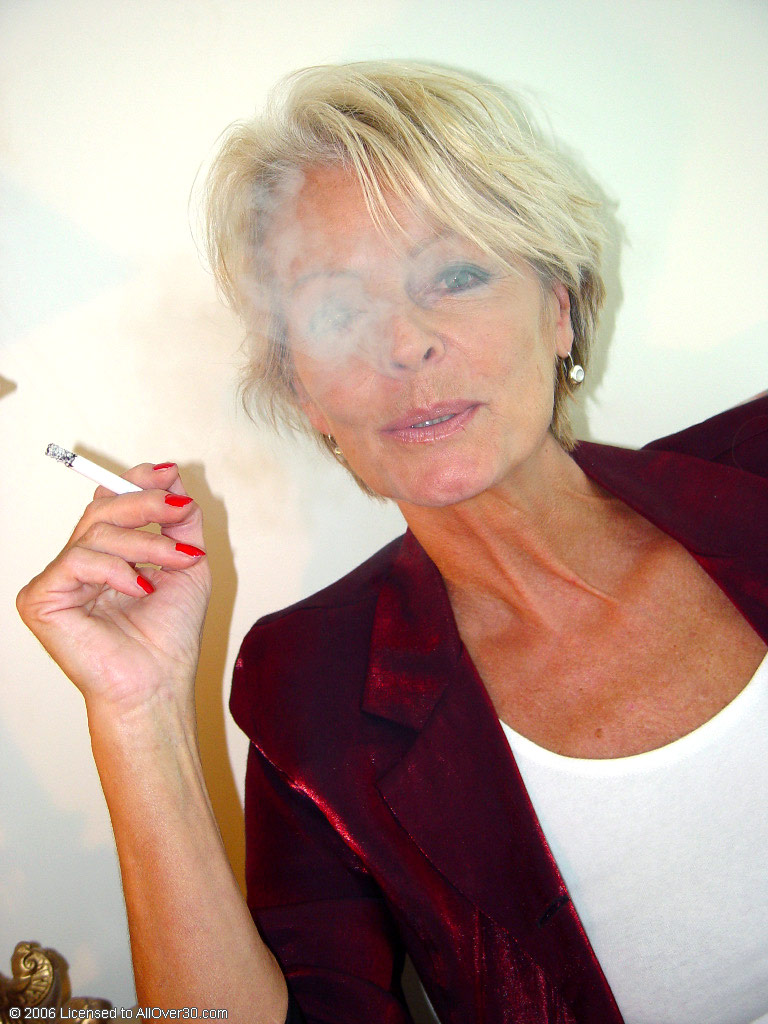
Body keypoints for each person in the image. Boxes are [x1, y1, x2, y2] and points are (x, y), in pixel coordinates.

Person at [17, 60, 768, 1024]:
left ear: (559, 309)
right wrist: (138, 716)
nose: (403, 345)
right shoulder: (309, 692)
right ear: (305, 393)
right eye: (338, 312)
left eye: (456, 276)